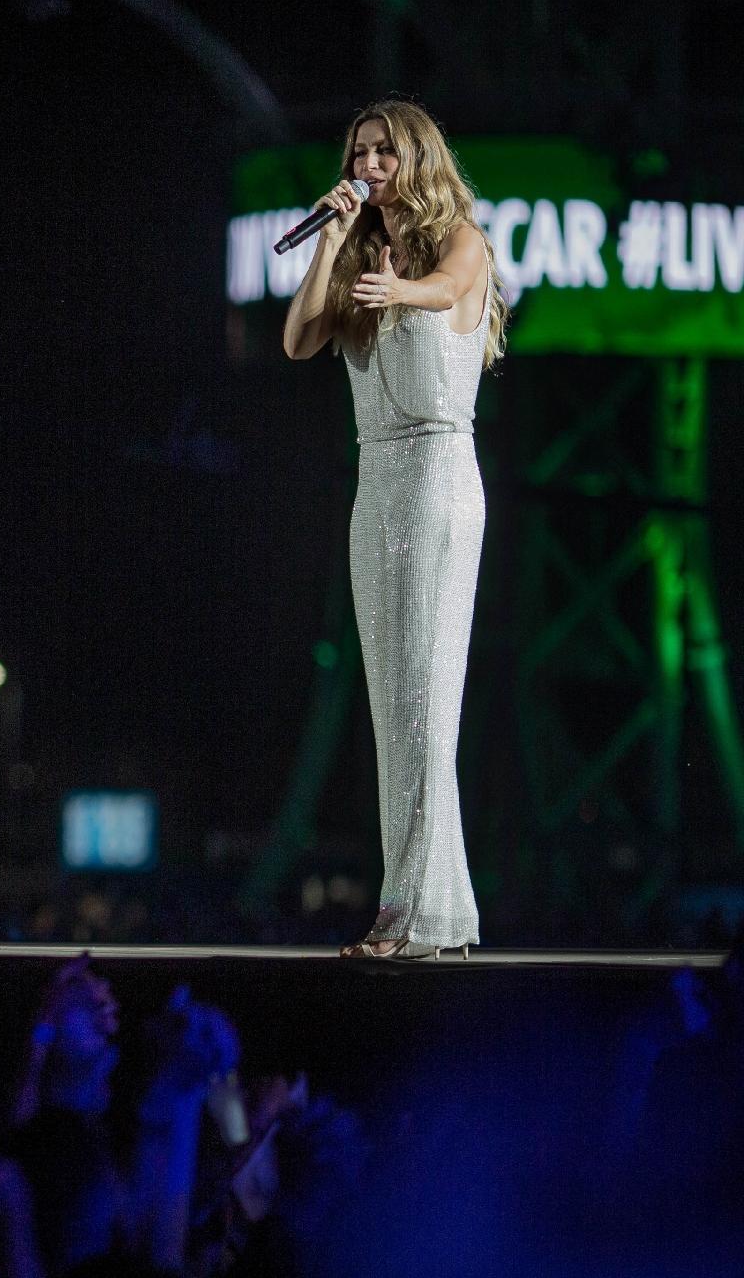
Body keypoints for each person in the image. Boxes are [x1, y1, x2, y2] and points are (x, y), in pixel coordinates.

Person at [281, 98, 508, 960]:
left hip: (439, 479)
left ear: (414, 156)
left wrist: (399, 289)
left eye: (382, 152)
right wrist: (335, 243)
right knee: (397, 706)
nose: (367, 165)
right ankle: (436, 912)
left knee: (424, 704)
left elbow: (450, 287)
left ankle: (408, 915)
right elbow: (300, 340)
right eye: (358, 152)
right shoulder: (356, 251)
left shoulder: (460, 241)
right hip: (376, 484)